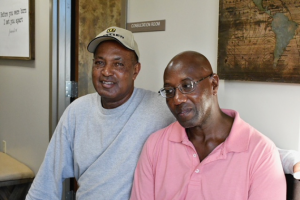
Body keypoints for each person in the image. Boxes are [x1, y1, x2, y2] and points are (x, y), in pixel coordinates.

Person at [26, 27, 299, 200]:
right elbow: (45, 185)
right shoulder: (76, 113)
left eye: (118, 64)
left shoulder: (162, 107)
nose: (106, 72)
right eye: (99, 63)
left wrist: (287, 159)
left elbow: (230, 138)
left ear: (136, 70)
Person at [130, 51, 287, 200]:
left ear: (214, 84)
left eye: (187, 86)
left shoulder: (261, 153)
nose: (177, 99)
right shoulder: (156, 145)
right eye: (169, 90)